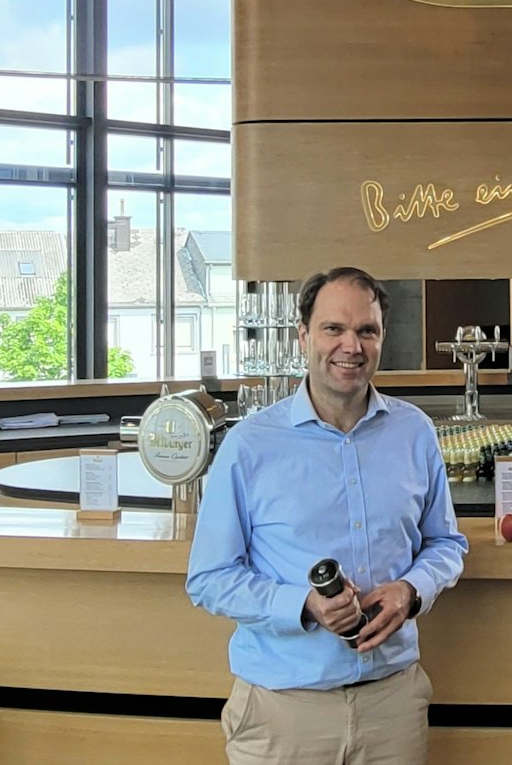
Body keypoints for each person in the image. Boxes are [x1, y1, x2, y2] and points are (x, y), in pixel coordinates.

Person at [187, 266, 469, 765]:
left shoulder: (415, 433)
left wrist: (411, 590)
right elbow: (209, 577)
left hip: (392, 708)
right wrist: (303, 605)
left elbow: (446, 544)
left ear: (382, 338)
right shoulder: (249, 445)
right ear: (303, 336)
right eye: (333, 328)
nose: (351, 346)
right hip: (282, 712)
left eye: (367, 330)